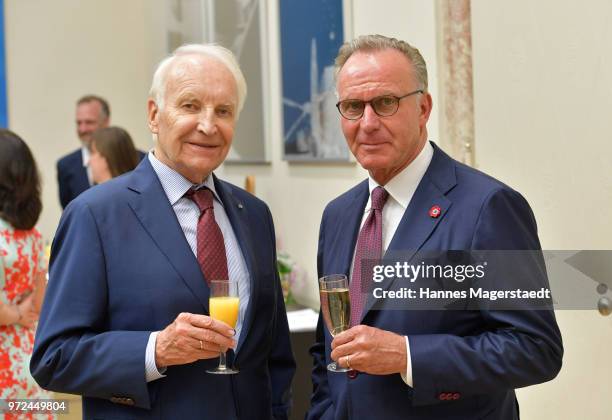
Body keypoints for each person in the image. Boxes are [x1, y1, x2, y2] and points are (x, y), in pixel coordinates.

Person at [31, 44, 295, 419]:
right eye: (190, 106)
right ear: (154, 114)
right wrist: (155, 350)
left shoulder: (253, 214)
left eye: (223, 111)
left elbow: (274, 353)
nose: (208, 124)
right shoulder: (95, 215)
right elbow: (53, 358)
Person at [307, 35, 563, 420]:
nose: (368, 123)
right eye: (353, 107)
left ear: (423, 108)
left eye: (385, 103)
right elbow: (328, 346)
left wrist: (407, 355)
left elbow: (535, 349)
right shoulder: (338, 215)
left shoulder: (487, 207)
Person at [0, 130, 51, 407]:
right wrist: (22, 313)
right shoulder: (32, 237)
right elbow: (40, 301)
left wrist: (13, 313)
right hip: (29, 358)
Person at [56, 95, 111, 208]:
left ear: (106, 122)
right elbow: (69, 213)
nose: (82, 129)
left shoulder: (136, 160)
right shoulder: (65, 166)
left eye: (89, 122)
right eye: (79, 123)